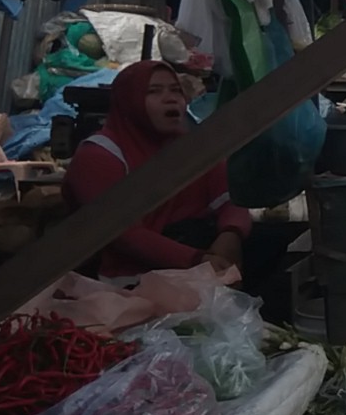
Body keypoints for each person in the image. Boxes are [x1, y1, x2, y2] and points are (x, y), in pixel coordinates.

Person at [62, 61, 253, 279]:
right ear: (129, 101)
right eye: (154, 92)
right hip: (129, 280)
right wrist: (197, 260)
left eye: (175, 90)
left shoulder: (193, 148)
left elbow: (231, 198)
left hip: (201, 256)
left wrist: (230, 235)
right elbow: (123, 234)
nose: (170, 98)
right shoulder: (99, 155)